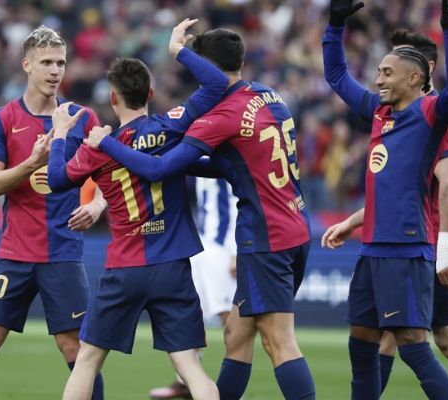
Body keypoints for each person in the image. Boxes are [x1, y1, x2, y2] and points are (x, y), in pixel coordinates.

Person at [84, 28, 316, 400]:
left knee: (279, 342)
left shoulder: (221, 115)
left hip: (266, 236)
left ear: (205, 66)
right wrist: (182, 161)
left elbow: (158, 171)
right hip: (297, 225)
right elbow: (233, 166)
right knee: (236, 336)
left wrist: (110, 144)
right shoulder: (268, 95)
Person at [47, 18, 226, 400]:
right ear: (150, 92)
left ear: (113, 99)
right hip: (172, 264)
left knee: (89, 359)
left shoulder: (97, 148)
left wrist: (60, 134)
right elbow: (216, 85)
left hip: (125, 266)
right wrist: (180, 51)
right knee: (189, 365)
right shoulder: (171, 126)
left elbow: (58, 179)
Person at [320, 0, 448, 398]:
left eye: (387, 73)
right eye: (379, 71)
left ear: (415, 77)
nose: (378, 79)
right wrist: (335, 24)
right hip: (372, 248)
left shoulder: (432, 114)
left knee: (414, 346)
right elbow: (335, 75)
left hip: (406, 247)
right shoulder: (378, 112)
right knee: (361, 341)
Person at [0, 25, 106, 400]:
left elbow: (107, 173)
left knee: (76, 352)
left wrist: (97, 204)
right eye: (47, 62)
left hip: (62, 253)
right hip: (14, 253)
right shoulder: (2, 119)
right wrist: (32, 162)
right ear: (26, 65)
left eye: (61, 63)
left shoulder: (81, 118)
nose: (56, 71)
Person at [375, 29, 448, 400]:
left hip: (421, 240)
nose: (383, 76)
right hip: (437, 236)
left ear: (420, 71)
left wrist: (441, 247)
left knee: (388, 338)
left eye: (394, 67)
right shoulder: (414, 113)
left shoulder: (430, 116)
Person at [149, 176, 238, 400]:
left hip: (224, 244)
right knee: (191, 314)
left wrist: (236, 249)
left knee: (230, 320)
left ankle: (235, 390)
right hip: (204, 241)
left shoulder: (225, 145)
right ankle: (186, 382)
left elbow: (240, 194)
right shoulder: (200, 146)